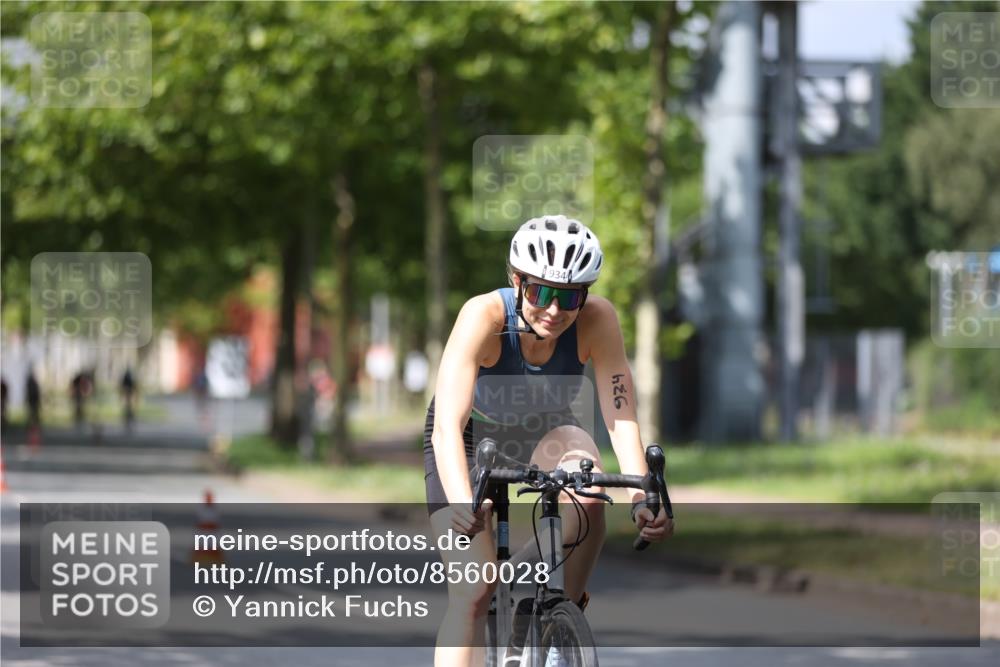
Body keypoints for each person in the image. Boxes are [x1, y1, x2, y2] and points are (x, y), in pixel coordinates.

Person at [423, 215, 674, 667]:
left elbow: (621, 415)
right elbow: (447, 425)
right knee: (474, 591)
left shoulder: (599, 319)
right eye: (541, 292)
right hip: (467, 438)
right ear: (516, 281)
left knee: (591, 494)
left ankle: (556, 617)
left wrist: (641, 493)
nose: (555, 310)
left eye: (570, 296)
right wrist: (463, 501)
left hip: (546, 427)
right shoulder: (482, 316)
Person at [120, 367, 137, 432]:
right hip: (128, 394)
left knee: (129, 409)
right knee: (128, 409)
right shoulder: (129, 378)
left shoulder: (128, 378)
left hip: (129, 394)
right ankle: (128, 420)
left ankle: (129, 420)